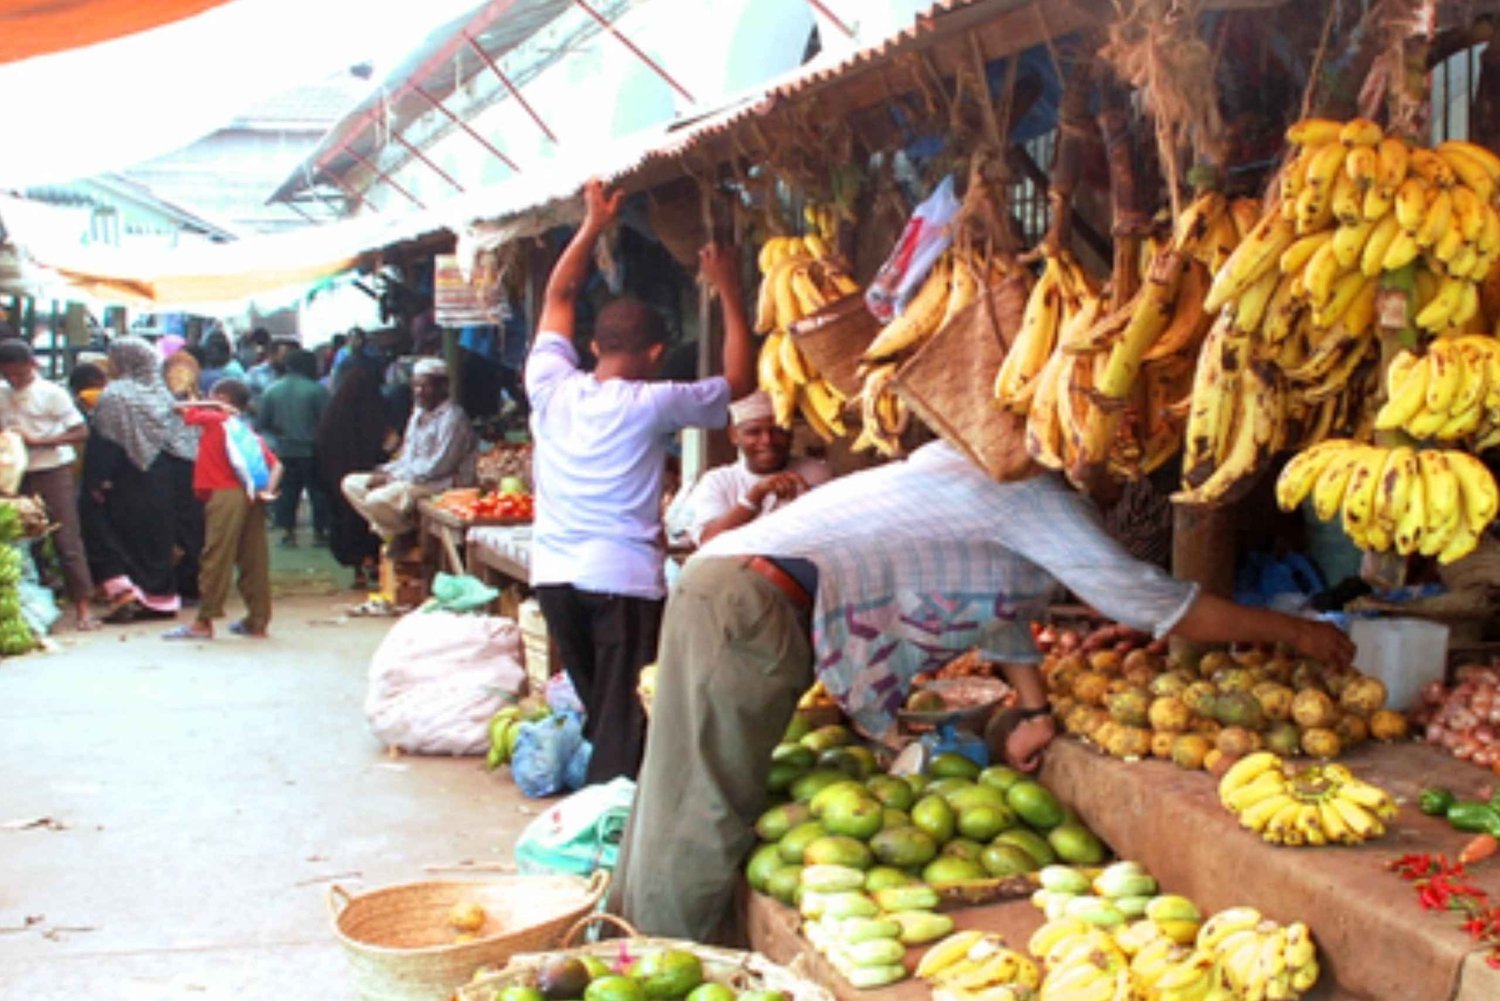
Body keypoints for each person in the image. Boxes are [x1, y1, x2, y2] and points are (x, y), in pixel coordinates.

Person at [609, 440, 1357, 942]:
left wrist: (1032, 710)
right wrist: (1293, 633)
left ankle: (622, 941)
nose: (1120, 478)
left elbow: (1003, 608)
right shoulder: (1031, 495)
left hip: (733, 594)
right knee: (706, 805)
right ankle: (662, 965)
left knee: (676, 789)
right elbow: (1144, 598)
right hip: (752, 604)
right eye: (1118, 459)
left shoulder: (968, 467)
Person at [526, 178, 755, 785]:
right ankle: (613, 829)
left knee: (603, 709)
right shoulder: (652, 402)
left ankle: (603, 812)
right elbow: (738, 381)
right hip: (620, 580)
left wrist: (592, 225)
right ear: (656, 352)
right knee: (625, 714)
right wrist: (730, 291)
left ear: (595, 344)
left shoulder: (549, 385)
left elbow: (560, 293)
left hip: (552, 576)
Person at [162, 379, 282, 640]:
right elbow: (276, 465)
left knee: (216, 555)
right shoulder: (245, 430)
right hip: (252, 496)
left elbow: (176, 407)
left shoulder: (216, 420)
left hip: (225, 493)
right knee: (254, 559)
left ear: (223, 399)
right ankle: (257, 620)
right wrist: (266, 492)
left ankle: (204, 620)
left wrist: (208, 403)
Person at [81, 337, 187, 621]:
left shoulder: (115, 394)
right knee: (156, 539)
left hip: (125, 479)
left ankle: (130, 595)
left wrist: (98, 479)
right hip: (160, 477)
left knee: (123, 536)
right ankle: (160, 599)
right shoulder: (161, 394)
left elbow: (106, 440)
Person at [0, 341, 97, 629]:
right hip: (15, 474)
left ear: (32, 365)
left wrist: (40, 442)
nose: (14, 380)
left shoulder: (51, 394)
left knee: (66, 539)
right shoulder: (3, 395)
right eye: (8, 375)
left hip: (51, 469)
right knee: (23, 541)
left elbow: (80, 431)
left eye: (19, 374)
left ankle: (83, 608)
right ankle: (38, 606)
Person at [341, 358, 475, 549]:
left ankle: (403, 533)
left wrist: (392, 478)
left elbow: (439, 466)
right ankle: (397, 530)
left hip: (442, 482)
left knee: (376, 499)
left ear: (443, 386)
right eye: (416, 386)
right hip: (412, 477)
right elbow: (408, 455)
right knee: (351, 483)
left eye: (425, 386)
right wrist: (386, 472)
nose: (419, 392)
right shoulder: (418, 414)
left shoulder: (453, 418)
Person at [671, 390, 832, 546]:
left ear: (791, 433)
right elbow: (709, 540)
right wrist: (754, 497)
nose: (767, 440)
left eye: (777, 431)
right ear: (734, 436)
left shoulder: (814, 473)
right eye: (754, 432)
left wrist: (806, 502)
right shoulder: (718, 481)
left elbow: (829, 534)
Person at [317, 365, 392, 588]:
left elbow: (322, 445)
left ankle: (357, 570)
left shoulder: (334, 411)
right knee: (370, 521)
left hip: (339, 477)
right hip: (370, 479)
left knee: (346, 523)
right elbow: (386, 442)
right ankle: (375, 564)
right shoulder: (377, 409)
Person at [257, 348, 330, 547]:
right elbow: (327, 422)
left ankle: (288, 533)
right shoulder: (316, 390)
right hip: (312, 450)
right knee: (317, 493)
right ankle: (319, 533)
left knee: (288, 494)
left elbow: (262, 422)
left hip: (283, 450)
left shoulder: (272, 390)